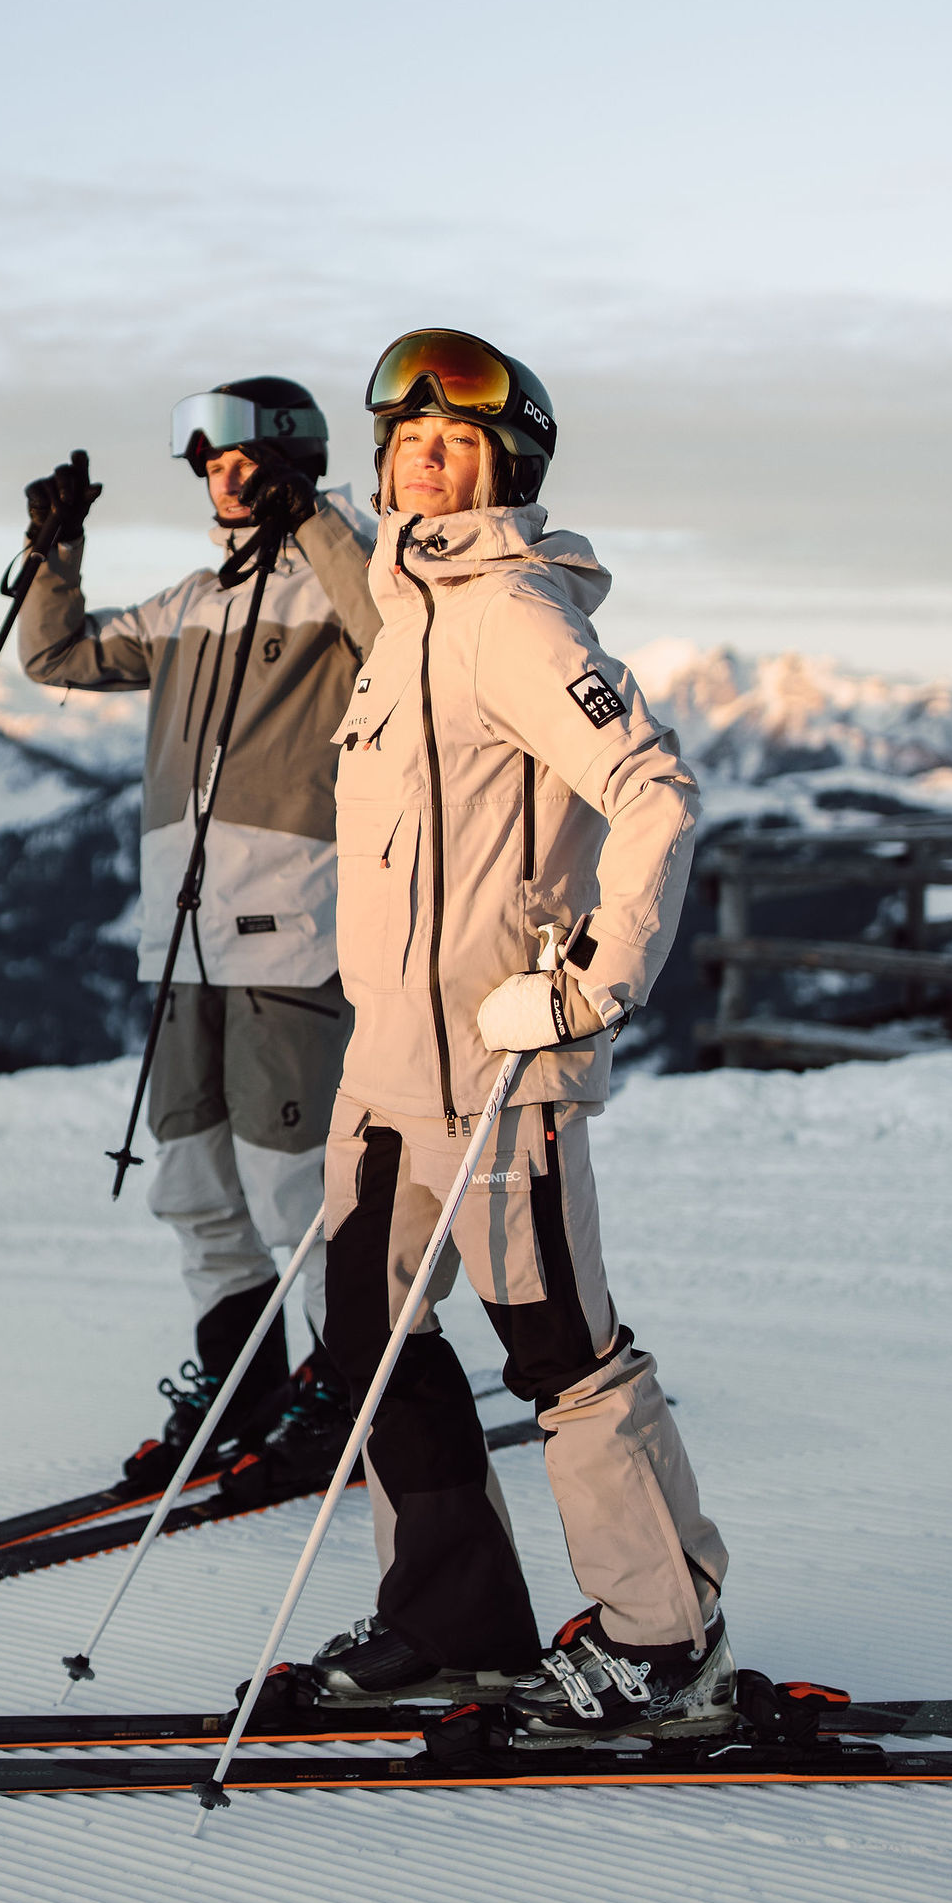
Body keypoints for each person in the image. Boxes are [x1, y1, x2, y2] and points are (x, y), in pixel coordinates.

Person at [278, 328, 731, 1736]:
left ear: (505, 464)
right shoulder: (401, 616)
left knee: (563, 1356)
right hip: (387, 1075)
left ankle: (669, 1638)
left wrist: (590, 981)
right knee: (365, 1341)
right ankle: (453, 1617)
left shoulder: (516, 615)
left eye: (458, 440)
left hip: (502, 1069)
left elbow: (655, 791)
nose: (428, 453)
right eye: (409, 436)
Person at [19, 381, 383, 1492]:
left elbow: (398, 639)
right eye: (205, 461)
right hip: (179, 932)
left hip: (293, 925)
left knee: (294, 1185)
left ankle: (346, 1393)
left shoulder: (343, 574)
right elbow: (59, 657)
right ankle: (244, 1384)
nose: (216, 475)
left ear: (288, 460)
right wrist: (51, 547)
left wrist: (314, 517)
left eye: (235, 457)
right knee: (192, 1178)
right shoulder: (188, 602)